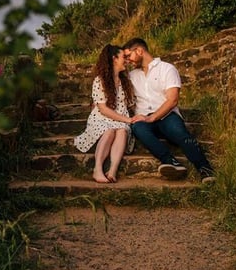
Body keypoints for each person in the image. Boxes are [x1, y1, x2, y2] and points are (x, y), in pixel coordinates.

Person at [122, 37, 216, 183]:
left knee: (180, 133)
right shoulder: (131, 76)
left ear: (139, 50)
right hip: (144, 119)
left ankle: (206, 171)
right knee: (137, 127)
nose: (127, 60)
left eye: (128, 55)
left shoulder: (167, 69)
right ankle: (172, 162)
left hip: (166, 115)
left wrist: (152, 117)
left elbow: (172, 100)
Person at [73, 44, 136, 183]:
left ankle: (112, 170)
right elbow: (103, 109)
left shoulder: (125, 81)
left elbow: (131, 104)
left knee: (122, 131)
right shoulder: (100, 80)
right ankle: (98, 169)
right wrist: (127, 119)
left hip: (120, 117)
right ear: (114, 59)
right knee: (109, 131)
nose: (126, 60)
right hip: (102, 117)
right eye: (123, 57)